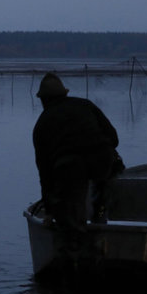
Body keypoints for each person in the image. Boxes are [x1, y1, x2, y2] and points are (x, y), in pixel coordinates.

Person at [32, 72, 121, 235]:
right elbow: (113, 139)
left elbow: (45, 174)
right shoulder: (85, 105)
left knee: (70, 216)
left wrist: (50, 210)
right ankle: (100, 221)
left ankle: (76, 244)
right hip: (103, 161)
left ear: (43, 100)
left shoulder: (42, 124)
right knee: (101, 197)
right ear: (65, 93)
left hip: (70, 169)